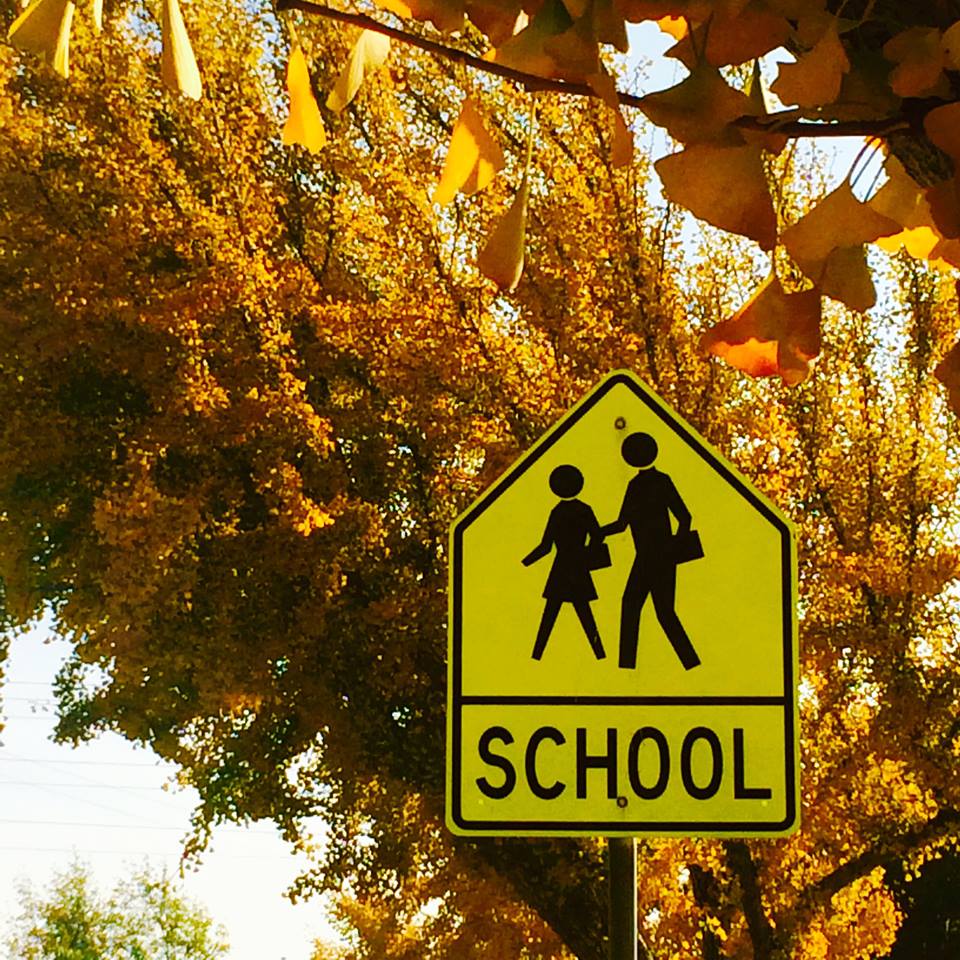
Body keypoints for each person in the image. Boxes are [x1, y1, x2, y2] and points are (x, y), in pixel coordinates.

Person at [603, 432, 701, 671]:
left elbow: (684, 516)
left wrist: (674, 548)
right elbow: (623, 523)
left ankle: (689, 664)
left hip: (656, 557)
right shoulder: (642, 484)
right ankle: (630, 667)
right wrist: (598, 531)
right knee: (646, 608)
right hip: (650, 557)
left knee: (653, 610)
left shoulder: (652, 483)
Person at [522, 464, 606, 661]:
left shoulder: (557, 512)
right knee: (584, 614)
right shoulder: (584, 510)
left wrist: (525, 562)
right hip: (578, 567)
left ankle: (536, 655)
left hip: (561, 568)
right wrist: (587, 554)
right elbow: (598, 536)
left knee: (551, 614)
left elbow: (546, 546)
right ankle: (600, 655)